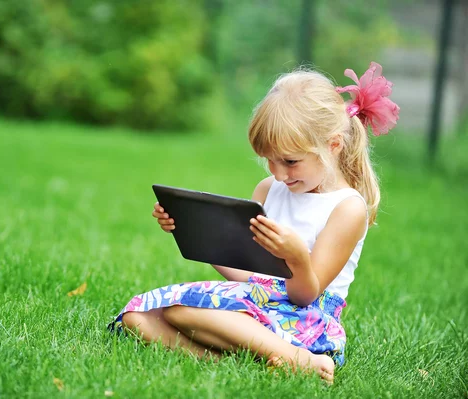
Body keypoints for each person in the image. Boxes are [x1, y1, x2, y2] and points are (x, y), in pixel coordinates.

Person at [108, 62, 400, 382]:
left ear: (333, 145)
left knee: (182, 311)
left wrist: (296, 256)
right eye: (270, 160)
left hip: (300, 317)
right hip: (253, 302)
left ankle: (299, 357)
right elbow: (247, 273)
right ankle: (234, 361)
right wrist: (193, 232)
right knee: (136, 319)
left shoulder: (346, 208)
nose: (278, 174)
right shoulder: (268, 190)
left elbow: (304, 295)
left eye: (290, 161)